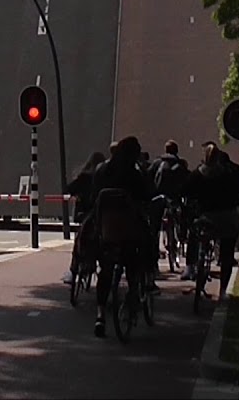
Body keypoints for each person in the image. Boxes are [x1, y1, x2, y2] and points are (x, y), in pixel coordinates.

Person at [88, 136, 152, 338]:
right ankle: (137, 290)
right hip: (129, 230)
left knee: (105, 270)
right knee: (140, 251)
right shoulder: (134, 173)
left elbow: (93, 197)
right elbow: (146, 195)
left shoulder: (102, 170)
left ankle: (100, 315)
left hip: (106, 230)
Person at [181, 144, 239, 300]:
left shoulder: (197, 174)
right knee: (228, 250)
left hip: (205, 218)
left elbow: (185, 191)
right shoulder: (227, 174)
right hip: (226, 217)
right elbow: (236, 193)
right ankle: (223, 289)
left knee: (194, 234)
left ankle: (190, 265)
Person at [62, 151, 107, 284]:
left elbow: (70, 189)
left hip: (86, 213)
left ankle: (73, 270)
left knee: (80, 239)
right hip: (102, 215)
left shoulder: (85, 176)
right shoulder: (104, 177)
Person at [149, 140, 190, 268]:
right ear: (176, 151)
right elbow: (187, 182)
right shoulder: (181, 164)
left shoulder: (157, 163)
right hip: (175, 198)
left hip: (159, 198)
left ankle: (153, 256)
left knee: (154, 227)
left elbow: (149, 178)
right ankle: (182, 236)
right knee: (182, 217)